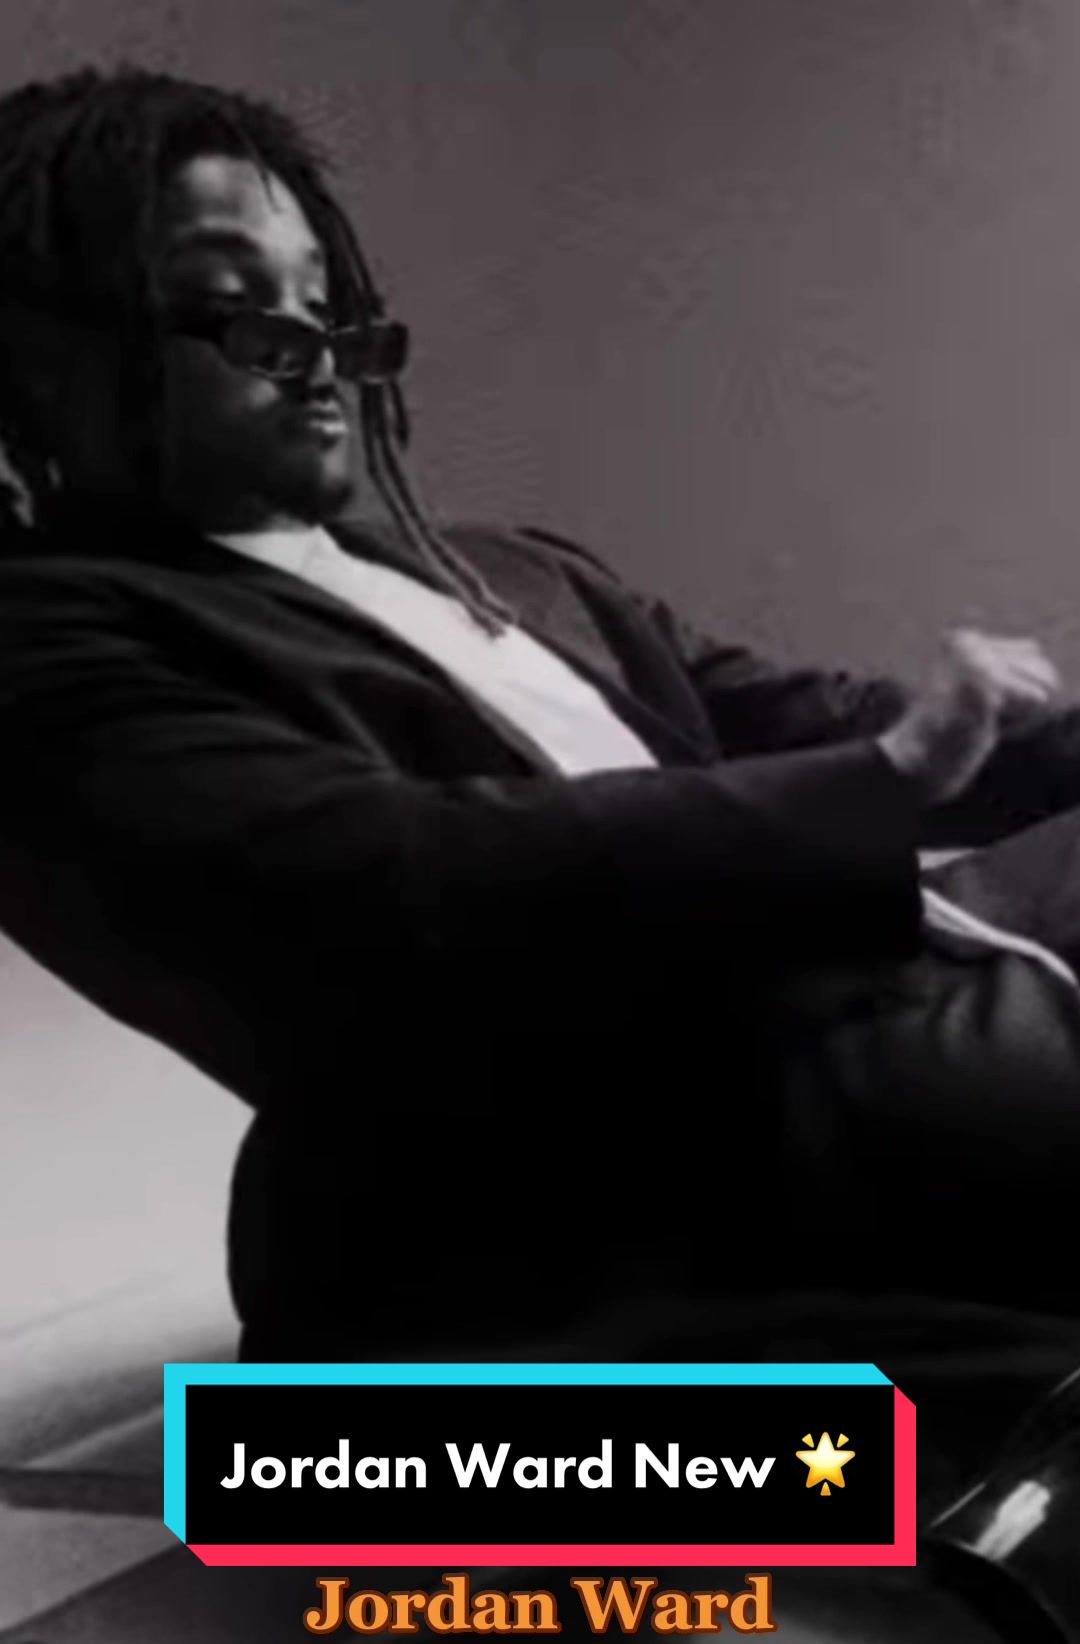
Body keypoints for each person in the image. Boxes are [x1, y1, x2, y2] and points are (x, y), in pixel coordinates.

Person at [0, 66, 1079, 1365]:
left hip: (875, 999)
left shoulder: (505, 567)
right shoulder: (53, 634)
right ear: (45, 362)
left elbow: (803, 719)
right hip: (618, 1137)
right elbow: (390, 883)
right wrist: (889, 781)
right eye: (237, 309)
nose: (317, 354)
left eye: (326, 306)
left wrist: (967, 752)